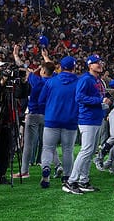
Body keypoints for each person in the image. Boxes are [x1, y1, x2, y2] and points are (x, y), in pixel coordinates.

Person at [65, 55, 109, 194]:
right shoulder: (85, 79)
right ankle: (71, 181)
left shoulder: (97, 79)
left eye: (100, 62)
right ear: (90, 65)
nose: (99, 64)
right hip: (87, 118)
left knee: (90, 151)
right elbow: (79, 97)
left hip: (96, 118)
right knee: (86, 150)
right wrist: (99, 101)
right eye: (96, 63)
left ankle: (83, 180)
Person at [39, 56, 79, 190]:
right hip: (70, 121)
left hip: (52, 119)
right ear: (74, 68)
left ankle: (46, 169)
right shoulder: (78, 82)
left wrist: (49, 109)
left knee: (48, 148)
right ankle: (67, 176)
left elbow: (41, 100)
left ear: (60, 67)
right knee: (68, 150)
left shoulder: (51, 81)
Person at [14, 59, 55, 179]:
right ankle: (58, 166)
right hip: (48, 116)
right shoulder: (54, 81)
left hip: (33, 115)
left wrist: (16, 56)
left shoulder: (37, 80)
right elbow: (50, 68)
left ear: (43, 71)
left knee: (28, 144)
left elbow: (25, 69)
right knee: (49, 144)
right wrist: (46, 58)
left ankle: (24, 171)